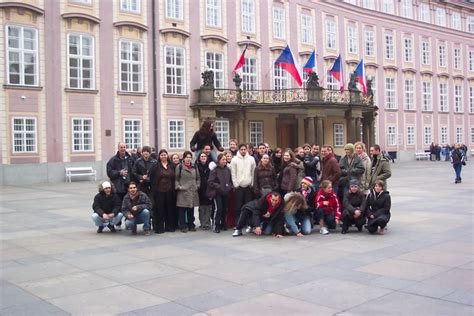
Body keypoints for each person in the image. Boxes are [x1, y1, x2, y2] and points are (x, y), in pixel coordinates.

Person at [150, 149, 176, 233]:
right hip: (159, 191)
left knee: (170, 209)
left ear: (167, 156)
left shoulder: (172, 165)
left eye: (165, 154)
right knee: (160, 209)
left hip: (170, 191)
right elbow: (151, 177)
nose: (163, 156)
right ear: (159, 156)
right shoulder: (155, 166)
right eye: (162, 155)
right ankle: (160, 227)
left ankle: (170, 227)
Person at [208, 153, 233, 233]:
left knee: (225, 209)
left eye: (225, 160)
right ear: (219, 160)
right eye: (223, 159)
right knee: (218, 209)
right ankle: (216, 225)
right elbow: (210, 182)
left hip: (226, 192)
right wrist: (218, 186)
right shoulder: (215, 170)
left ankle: (223, 224)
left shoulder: (228, 170)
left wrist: (229, 186)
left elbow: (230, 181)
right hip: (217, 193)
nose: (225, 161)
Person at [230, 144, 256, 224]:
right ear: (239, 150)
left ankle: (248, 223)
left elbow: (253, 172)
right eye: (242, 149)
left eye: (245, 149)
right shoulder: (234, 159)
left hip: (248, 186)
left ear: (247, 150)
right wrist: (235, 184)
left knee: (248, 205)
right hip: (239, 186)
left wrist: (252, 183)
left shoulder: (251, 159)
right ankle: (238, 222)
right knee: (238, 206)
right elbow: (233, 173)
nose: (243, 151)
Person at [175, 151, 200, 233]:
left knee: (191, 209)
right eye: (187, 157)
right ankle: (183, 226)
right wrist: (179, 187)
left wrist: (197, 185)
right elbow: (176, 179)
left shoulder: (194, 166)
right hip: (183, 191)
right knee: (182, 210)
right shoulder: (180, 167)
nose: (188, 159)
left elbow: (198, 178)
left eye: (190, 157)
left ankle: (191, 225)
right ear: (184, 158)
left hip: (192, 191)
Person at [196, 152, 212, 230]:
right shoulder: (196, 166)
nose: (203, 157)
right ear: (199, 158)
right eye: (201, 156)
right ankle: (202, 223)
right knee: (201, 207)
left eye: (204, 156)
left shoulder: (211, 166)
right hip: (200, 189)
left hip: (209, 188)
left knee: (208, 207)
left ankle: (207, 223)